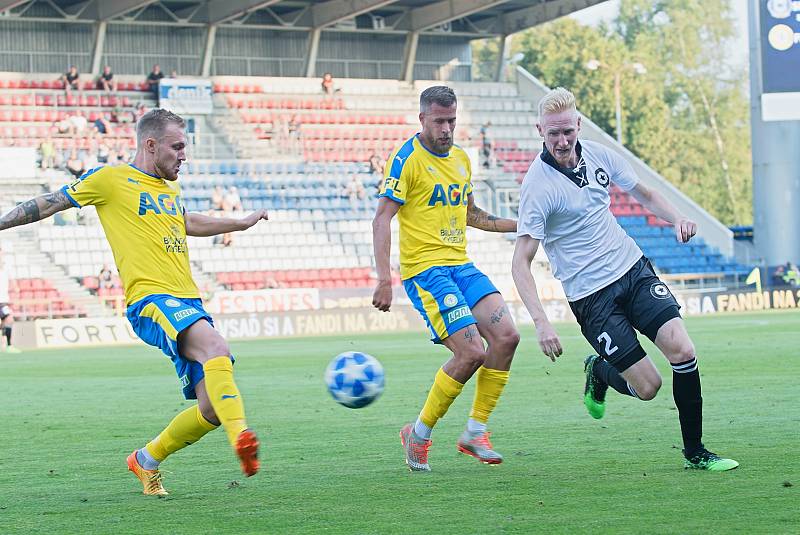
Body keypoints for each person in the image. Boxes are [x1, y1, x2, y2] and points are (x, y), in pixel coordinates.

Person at [0, 108, 268, 494]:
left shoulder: (170, 190)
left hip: (188, 301)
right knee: (217, 349)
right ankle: (242, 437)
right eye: (177, 147)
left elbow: (186, 222)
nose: (183, 155)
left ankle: (145, 460)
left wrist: (239, 223)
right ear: (151, 144)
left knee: (210, 409)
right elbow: (52, 201)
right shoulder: (111, 179)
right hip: (151, 299)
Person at [510, 87, 738, 472]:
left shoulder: (599, 155)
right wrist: (541, 321)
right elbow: (521, 261)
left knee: (683, 351)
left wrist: (677, 217)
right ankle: (599, 370)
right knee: (648, 388)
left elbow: (644, 193)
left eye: (568, 130)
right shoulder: (537, 186)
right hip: (591, 297)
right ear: (540, 131)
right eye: (554, 134)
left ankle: (696, 452)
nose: (563, 140)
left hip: (632, 269)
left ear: (579, 124)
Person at [373, 86, 520, 472]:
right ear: (422, 119)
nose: (446, 129)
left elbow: (471, 215)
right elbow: (382, 218)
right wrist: (384, 278)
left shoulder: (460, 159)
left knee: (507, 337)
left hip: (461, 265)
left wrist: (520, 226)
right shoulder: (406, 159)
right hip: (426, 271)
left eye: (452, 120)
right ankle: (418, 434)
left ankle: (475, 431)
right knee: (472, 353)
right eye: (439, 121)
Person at [0, 250, 21, 353]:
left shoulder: (6, 267)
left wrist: (16, 287)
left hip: (3, 301)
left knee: (9, 319)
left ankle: (8, 345)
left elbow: (12, 280)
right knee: (7, 319)